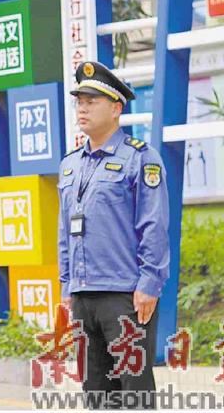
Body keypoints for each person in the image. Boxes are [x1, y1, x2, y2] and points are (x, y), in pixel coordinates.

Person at [58, 60, 169, 407]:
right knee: (95, 394)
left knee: (134, 393)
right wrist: (66, 286)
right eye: (79, 100)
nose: (83, 107)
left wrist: (150, 283)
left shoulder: (141, 159)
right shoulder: (70, 163)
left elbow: (153, 225)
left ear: (117, 108)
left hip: (125, 296)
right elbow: (65, 231)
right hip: (82, 296)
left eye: (92, 100)